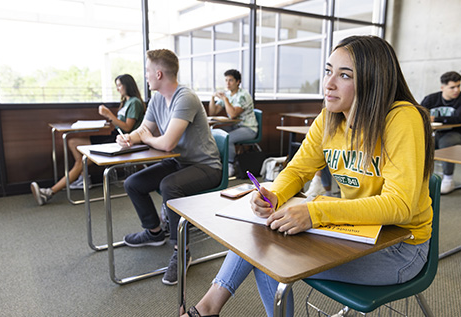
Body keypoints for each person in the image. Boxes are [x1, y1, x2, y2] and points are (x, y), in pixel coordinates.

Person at [181, 35, 434, 317]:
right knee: (267, 237)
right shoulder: (330, 117)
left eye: (345, 75)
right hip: (354, 230)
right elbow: (298, 169)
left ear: (373, 80)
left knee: (271, 254)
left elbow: (400, 206)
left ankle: (207, 308)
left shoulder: (402, 118)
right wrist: (274, 193)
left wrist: (315, 211)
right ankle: (208, 307)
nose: (328, 83)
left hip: (399, 248)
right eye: (328, 71)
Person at [116, 49, 222, 286]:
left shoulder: (186, 98)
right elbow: (144, 130)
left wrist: (145, 138)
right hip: (179, 162)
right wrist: (128, 138)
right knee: (134, 184)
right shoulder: (156, 99)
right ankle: (154, 232)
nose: (145, 76)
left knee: (169, 186)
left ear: (159, 73)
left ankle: (182, 251)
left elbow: (167, 142)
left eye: (147, 71)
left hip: (206, 166)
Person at [30, 74, 146, 206]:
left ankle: (49, 192)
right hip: (114, 136)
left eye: (120, 85)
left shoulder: (135, 102)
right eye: (117, 86)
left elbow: (127, 127)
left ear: (127, 85)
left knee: (82, 161)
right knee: (73, 142)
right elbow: (120, 123)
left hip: (122, 141)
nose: (118, 88)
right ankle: (81, 177)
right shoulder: (126, 102)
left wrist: (109, 114)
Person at [421, 71, 461, 194]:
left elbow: (460, 119)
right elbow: (420, 114)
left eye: (458, 86)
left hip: (457, 133)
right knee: (422, 142)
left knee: (447, 141)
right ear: (442, 87)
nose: (456, 90)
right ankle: (421, 178)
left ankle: (448, 179)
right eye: (452, 87)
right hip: (435, 134)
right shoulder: (431, 99)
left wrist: (436, 118)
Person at [208, 69, 258, 177]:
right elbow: (213, 111)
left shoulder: (243, 95)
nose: (227, 83)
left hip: (249, 128)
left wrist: (225, 99)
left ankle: (230, 166)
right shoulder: (228, 94)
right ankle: (218, 162)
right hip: (236, 127)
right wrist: (212, 97)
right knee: (213, 133)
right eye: (226, 80)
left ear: (238, 82)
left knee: (227, 138)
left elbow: (233, 114)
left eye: (230, 80)